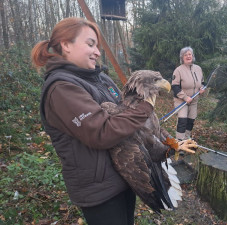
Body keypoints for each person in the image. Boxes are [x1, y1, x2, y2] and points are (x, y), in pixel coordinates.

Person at [31, 17, 195, 225]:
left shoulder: (100, 79)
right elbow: (103, 132)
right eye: (90, 44)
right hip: (99, 191)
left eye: (97, 46)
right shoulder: (61, 88)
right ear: (66, 45)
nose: (97, 52)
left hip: (123, 177)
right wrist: (146, 106)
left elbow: (130, 121)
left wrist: (167, 141)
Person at [171, 47, 206, 141]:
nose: (188, 56)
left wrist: (202, 88)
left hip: (194, 101)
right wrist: (185, 97)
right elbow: (174, 86)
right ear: (182, 58)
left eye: (189, 54)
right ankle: (179, 142)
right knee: (182, 120)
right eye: (185, 55)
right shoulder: (178, 70)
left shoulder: (198, 68)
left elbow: (202, 82)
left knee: (191, 121)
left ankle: (186, 139)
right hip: (181, 100)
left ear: (193, 56)